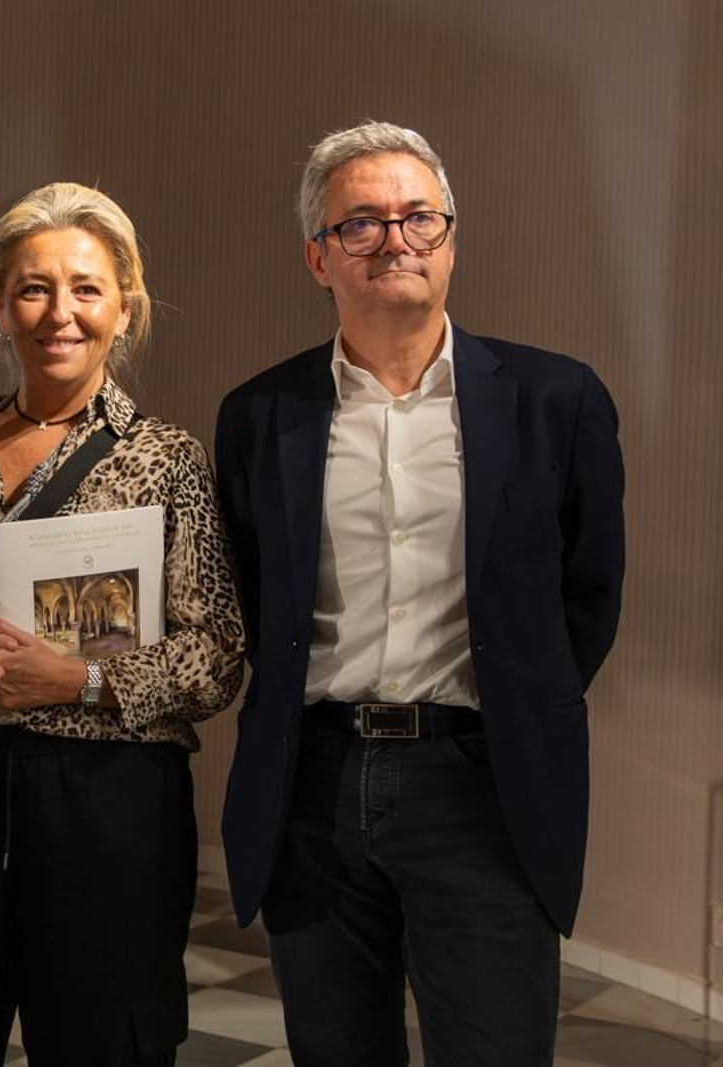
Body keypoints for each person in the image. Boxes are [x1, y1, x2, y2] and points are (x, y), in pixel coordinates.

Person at [215, 120, 624, 1065]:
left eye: (418, 217)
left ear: (450, 239)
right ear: (319, 257)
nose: (394, 239)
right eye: (360, 223)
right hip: (313, 786)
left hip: (484, 786)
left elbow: (589, 593)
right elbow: (252, 593)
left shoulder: (555, 400)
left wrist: (520, 703)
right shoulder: (260, 414)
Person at [0, 182, 246, 1066]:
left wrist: (84, 679)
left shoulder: (167, 457)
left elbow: (218, 655)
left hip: (109, 804)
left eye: (86, 288)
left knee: (104, 1045)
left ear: (125, 308)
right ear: (1, 307)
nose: (60, 313)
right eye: (34, 288)